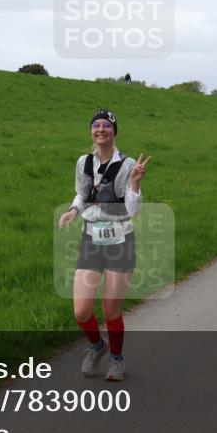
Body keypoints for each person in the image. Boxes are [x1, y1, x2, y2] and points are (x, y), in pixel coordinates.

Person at [58, 110, 150, 382]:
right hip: (91, 239)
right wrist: (74, 211)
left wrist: (135, 182)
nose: (101, 129)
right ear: (91, 131)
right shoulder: (84, 162)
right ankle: (98, 347)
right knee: (81, 310)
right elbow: (81, 193)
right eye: (96, 125)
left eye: (106, 125)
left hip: (120, 240)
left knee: (110, 308)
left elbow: (133, 210)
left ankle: (117, 359)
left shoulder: (128, 164)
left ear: (114, 131)